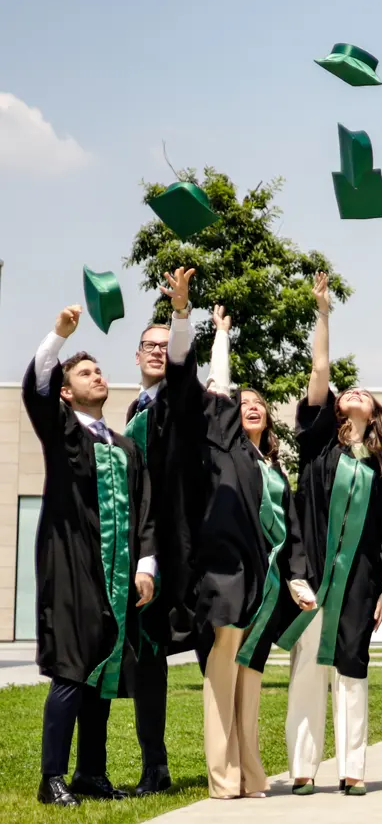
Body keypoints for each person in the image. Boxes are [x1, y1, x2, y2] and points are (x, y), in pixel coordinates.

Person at [160, 268, 299, 800]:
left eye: (249, 403)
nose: (238, 403)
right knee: (223, 671)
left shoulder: (249, 454)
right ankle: (223, 777)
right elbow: (188, 375)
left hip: (254, 573)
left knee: (247, 673)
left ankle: (250, 771)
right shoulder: (204, 442)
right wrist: (185, 318)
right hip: (218, 572)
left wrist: (223, 334)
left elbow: (223, 381)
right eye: (234, 402)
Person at [25, 304, 156, 807]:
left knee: (101, 668)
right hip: (71, 568)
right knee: (72, 666)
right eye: (84, 372)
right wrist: (59, 335)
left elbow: (144, 510)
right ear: (65, 391)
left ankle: (91, 774)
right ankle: (51, 777)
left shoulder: (125, 448)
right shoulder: (62, 433)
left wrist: (146, 564)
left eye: (99, 370)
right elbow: (36, 388)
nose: (96, 375)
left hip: (120, 576)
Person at [278, 273, 382, 797]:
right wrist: (323, 313)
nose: (353, 393)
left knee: (352, 668)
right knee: (307, 669)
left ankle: (353, 770)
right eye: (348, 391)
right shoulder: (319, 443)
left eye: (364, 393)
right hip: (312, 572)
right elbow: (321, 370)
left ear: (374, 413)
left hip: (360, 582)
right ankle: (303, 768)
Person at [119, 303, 231, 796]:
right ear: (138, 354)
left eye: (168, 346)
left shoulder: (186, 401)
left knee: (213, 654)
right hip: (149, 555)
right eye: (152, 345)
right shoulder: (131, 414)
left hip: (191, 551)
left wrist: (183, 314)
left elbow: (187, 381)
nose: (160, 352)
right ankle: (154, 766)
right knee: (148, 660)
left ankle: (224, 764)